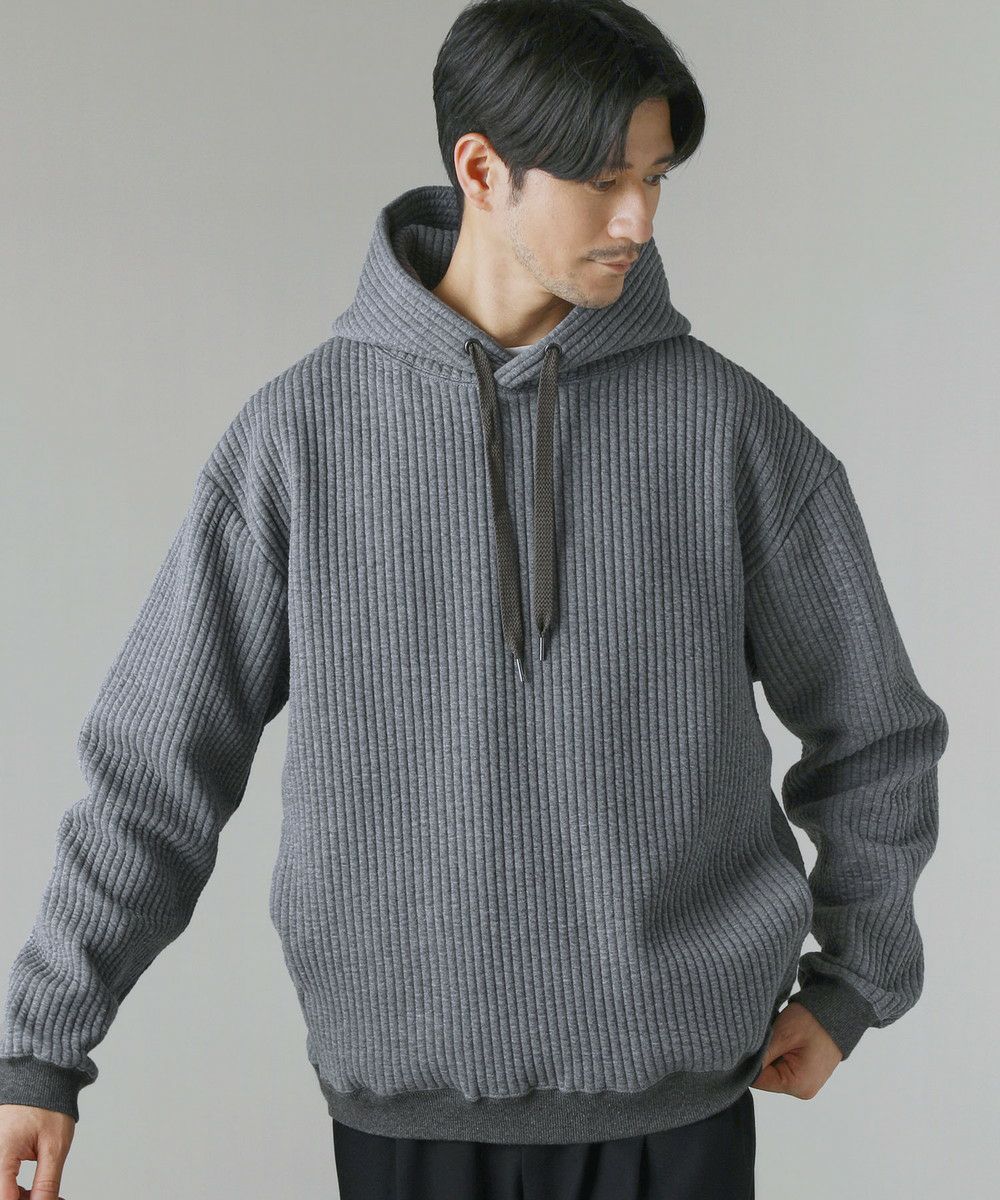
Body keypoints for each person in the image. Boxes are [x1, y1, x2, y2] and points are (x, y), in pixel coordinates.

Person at [0, 2, 949, 1198]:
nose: (640, 220)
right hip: (404, 1116)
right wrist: (42, 1047)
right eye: (604, 181)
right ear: (482, 169)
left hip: (677, 1109)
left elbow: (875, 731)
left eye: (655, 178)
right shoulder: (298, 441)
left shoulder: (731, 433)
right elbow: (155, 768)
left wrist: (854, 978)